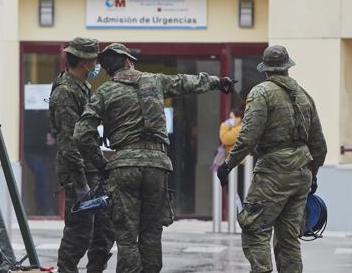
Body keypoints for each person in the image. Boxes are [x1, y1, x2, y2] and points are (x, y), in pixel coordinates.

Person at [75, 43, 234, 273]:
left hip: (125, 166)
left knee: (127, 237)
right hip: (157, 165)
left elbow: (81, 134)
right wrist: (218, 82)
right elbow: (186, 82)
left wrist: (102, 164)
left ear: (110, 70)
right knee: (151, 233)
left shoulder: (105, 93)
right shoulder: (155, 81)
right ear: (128, 61)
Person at [217, 45, 327, 273]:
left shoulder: (261, 92)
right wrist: (312, 174)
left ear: (265, 70)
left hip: (273, 173)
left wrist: (227, 165)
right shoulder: (304, 96)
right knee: (289, 238)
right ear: (287, 67)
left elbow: (247, 137)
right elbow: (319, 145)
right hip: (301, 174)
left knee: (254, 228)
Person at [48, 37, 114, 273]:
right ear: (85, 62)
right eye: (94, 59)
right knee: (79, 233)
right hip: (80, 173)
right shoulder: (65, 92)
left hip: (93, 169)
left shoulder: (82, 87)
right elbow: (69, 142)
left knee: (104, 232)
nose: (96, 64)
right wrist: (80, 183)